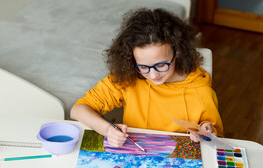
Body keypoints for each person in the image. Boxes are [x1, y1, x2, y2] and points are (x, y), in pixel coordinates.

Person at [70, 8, 223, 147]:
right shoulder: (128, 78)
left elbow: (214, 134)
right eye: (143, 67)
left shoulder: (200, 91)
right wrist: (108, 130)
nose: (153, 75)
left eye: (161, 65)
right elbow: (77, 110)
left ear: (177, 52)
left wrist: (207, 130)